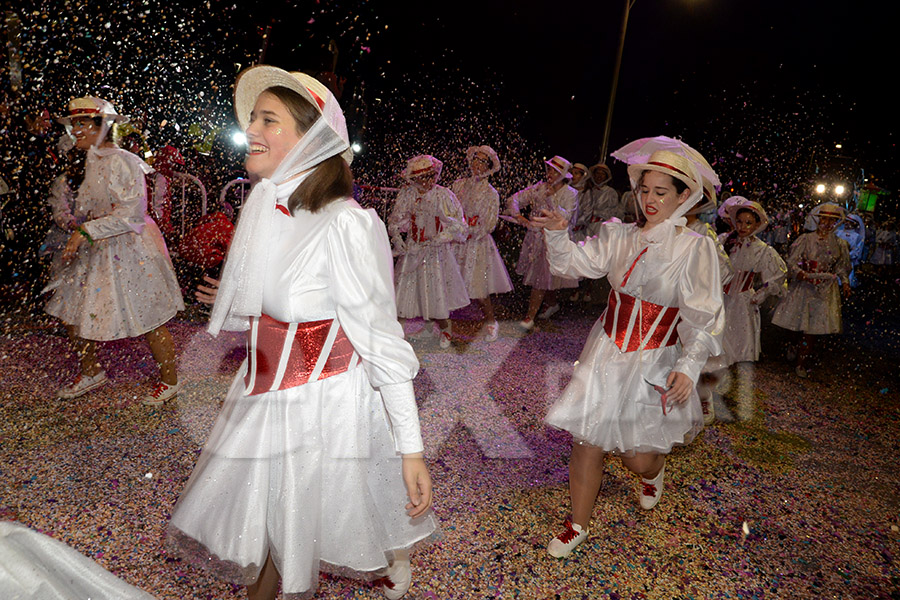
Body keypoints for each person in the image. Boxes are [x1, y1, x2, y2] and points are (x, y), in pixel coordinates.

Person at [166, 66, 436, 600]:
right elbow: (295, 300)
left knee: (290, 534)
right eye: (252, 119)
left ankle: (388, 553)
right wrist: (245, 307)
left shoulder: (347, 223)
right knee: (273, 531)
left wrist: (411, 450)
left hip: (319, 404)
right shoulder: (266, 204)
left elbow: (381, 341)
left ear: (311, 138)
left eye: (269, 119)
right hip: (264, 392)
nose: (252, 130)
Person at [532, 147, 724, 559]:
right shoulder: (619, 235)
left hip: (655, 356)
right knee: (588, 440)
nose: (650, 200)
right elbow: (572, 265)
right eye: (643, 190)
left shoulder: (694, 248)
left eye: (661, 192)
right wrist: (556, 231)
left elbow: (702, 317)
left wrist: (690, 366)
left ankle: (654, 473)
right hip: (607, 349)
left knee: (637, 460)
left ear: (683, 197)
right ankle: (577, 523)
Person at [43, 97, 183, 404]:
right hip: (96, 246)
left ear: (101, 127)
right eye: (74, 125)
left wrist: (85, 231)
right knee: (73, 311)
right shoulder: (84, 161)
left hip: (130, 245)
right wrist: (79, 227)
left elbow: (130, 216)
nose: (76, 131)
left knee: (148, 314)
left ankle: (170, 380)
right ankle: (91, 371)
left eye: (82, 124)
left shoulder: (124, 161)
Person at [389, 154, 470, 349]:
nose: (428, 181)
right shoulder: (407, 194)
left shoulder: (443, 195)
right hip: (413, 249)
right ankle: (396, 333)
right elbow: (396, 221)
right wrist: (400, 241)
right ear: (414, 179)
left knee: (435, 291)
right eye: (423, 177)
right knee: (403, 292)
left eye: (431, 176)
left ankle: (445, 329)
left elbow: (459, 225)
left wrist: (440, 238)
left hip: (435, 252)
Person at [717, 201, 787, 405]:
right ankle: (712, 384)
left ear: (757, 225)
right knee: (716, 340)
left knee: (735, 341)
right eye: (739, 221)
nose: (742, 227)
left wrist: (762, 293)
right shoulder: (723, 240)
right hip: (719, 298)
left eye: (748, 223)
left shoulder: (762, 250)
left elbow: (778, 275)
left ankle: (724, 385)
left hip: (741, 301)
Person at [772, 202, 851, 378]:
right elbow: (791, 261)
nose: (827, 223)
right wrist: (800, 273)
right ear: (818, 220)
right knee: (794, 322)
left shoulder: (839, 244)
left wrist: (845, 282)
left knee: (813, 328)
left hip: (824, 289)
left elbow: (841, 267)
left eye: (832, 220)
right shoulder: (806, 239)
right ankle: (793, 344)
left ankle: (802, 362)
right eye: (824, 219)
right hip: (804, 285)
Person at [506, 155, 579, 328]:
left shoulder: (570, 193)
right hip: (536, 239)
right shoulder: (539, 188)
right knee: (544, 277)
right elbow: (514, 199)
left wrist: (552, 198)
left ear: (563, 175)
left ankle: (530, 316)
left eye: (555, 171)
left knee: (543, 276)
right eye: (549, 170)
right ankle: (551, 304)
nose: (550, 174)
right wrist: (518, 216)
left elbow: (566, 217)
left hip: (555, 240)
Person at [450, 145, 512, 341]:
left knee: (478, 285)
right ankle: (445, 323)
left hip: (476, 243)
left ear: (489, 166)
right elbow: (450, 210)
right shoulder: (458, 185)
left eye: (483, 161)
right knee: (450, 279)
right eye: (476, 159)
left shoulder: (491, 193)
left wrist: (471, 232)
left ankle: (491, 321)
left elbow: (490, 223)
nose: (478, 164)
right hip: (457, 239)